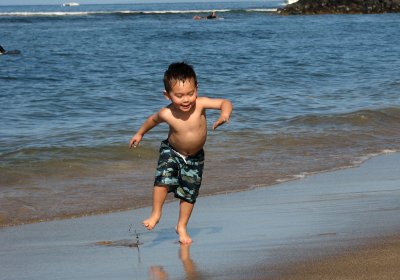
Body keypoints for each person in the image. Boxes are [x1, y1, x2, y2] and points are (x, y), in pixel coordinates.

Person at [129, 62, 232, 244]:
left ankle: (181, 226)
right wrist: (140, 133)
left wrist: (224, 114)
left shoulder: (200, 104)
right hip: (172, 151)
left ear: (196, 89)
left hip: (195, 157)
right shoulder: (166, 113)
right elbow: (152, 120)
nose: (186, 99)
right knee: (163, 179)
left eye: (190, 93)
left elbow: (225, 102)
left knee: (189, 193)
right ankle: (156, 213)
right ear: (167, 95)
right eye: (179, 96)